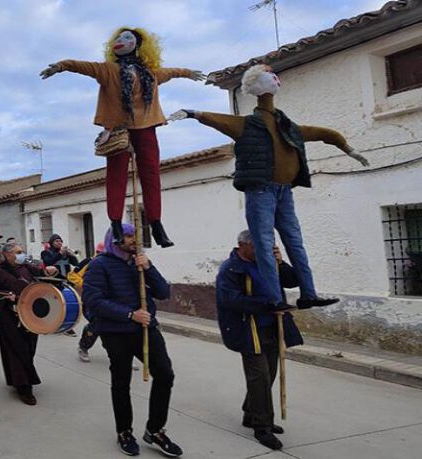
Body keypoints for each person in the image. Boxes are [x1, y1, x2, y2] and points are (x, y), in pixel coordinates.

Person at [168, 64, 369, 309]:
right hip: (261, 189)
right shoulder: (249, 124)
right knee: (264, 243)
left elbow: (322, 133)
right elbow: (219, 120)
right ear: (259, 84)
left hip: (284, 191)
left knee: (293, 242)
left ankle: (308, 294)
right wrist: (192, 113)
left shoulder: (286, 125)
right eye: (269, 75)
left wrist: (349, 149)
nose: (276, 78)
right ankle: (274, 298)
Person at [41, 27, 205, 248]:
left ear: (138, 44)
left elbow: (172, 71)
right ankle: (116, 225)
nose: (120, 41)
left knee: (151, 175)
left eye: (126, 38)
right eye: (118, 38)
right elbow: (83, 66)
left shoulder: (150, 73)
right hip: (119, 130)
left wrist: (187, 72)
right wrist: (62, 66)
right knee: (116, 177)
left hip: (146, 127)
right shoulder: (109, 70)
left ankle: (156, 225)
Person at [82, 223, 181, 457]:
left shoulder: (139, 263)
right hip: (115, 331)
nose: (132, 239)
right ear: (115, 240)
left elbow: (163, 293)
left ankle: (155, 430)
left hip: (146, 328)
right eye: (127, 236)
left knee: (165, 374)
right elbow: (93, 300)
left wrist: (148, 267)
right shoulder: (99, 265)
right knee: (121, 381)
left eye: (134, 235)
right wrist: (129, 314)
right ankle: (124, 431)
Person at [216, 230, 303, 451]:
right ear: (242, 245)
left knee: (270, 373)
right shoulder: (230, 268)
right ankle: (262, 426)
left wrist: (280, 263)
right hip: (248, 329)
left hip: (273, 327)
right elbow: (230, 300)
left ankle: (250, 413)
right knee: (260, 377)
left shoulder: (267, 261)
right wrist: (267, 304)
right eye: (257, 247)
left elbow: (292, 281)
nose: (262, 250)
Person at [0, 243, 58, 405]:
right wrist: (5, 298)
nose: (21, 254)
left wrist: (50, 270)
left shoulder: (26, 267)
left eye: (21, 251)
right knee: (17, 350)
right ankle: (24, 387)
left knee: (29, 348)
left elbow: (43, 274)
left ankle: (18, 379)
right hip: (9, 317)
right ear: (7, 254)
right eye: (17, 252)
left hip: (30, 314)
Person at [41, 234, 79, 336]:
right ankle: (52, 324)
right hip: (53, 281)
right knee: (55, 304)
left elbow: (76, 263)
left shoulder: (65, 254)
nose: (59, 243)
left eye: (60, 241)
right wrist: (60, 253)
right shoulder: (46, 252)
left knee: (67, 304)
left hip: (66, 281)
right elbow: (48, 261)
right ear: (51, 243)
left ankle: (66, 326)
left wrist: (72, 255)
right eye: (57, 241)